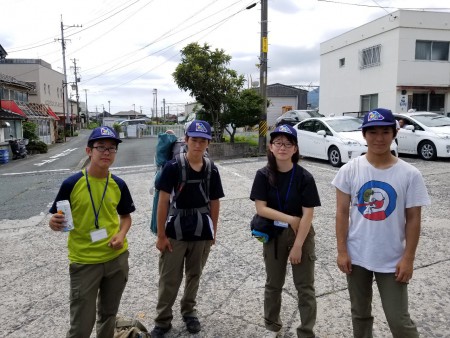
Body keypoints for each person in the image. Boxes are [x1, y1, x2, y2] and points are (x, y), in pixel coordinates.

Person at [332, 108, 431, 338]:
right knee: (360, 314)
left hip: (393, 258)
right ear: (364, 135)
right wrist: (341, 251)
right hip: (357, 256)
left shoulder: (410, 174)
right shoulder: (349, 170)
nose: (379, 138)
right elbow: (341, 212)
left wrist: (408, 258)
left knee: (399, 320)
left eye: (385, 131)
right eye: (372, 132)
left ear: (394, 133)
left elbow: (414, 218)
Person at [48, 126, 136, 338]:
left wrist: (121, 234)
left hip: (116, 258)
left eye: (111, 149)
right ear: (89, 151)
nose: (106, 153)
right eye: (101, 147)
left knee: (108, 315)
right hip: (85, 262)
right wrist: (54, 223)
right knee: (81, 323)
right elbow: (56, 219)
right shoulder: (71, 184)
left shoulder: (118, 184)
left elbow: (126, 217)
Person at [151, 120, 225, 337]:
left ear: (208, 143)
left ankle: (189, 311)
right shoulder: (172, 167)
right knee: (169, 277)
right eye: (194, 139)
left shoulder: (212, 169)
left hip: (202, 230)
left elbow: (215, 201)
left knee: (195, 274)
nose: (198, 144)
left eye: (203, 140)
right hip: (176, 230)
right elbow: (163, 201)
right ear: (186, 140)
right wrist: (161, 235)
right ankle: (163, 320)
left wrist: (214, 231)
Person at [250, 124, 321, 338]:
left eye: (288, 143)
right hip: (274, 234)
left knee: (305, 287)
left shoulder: (304, 177)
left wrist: (298, 245)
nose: (283, 147)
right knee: (273, 284)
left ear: (295, 149)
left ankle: (306, 332)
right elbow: (260, 208)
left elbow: (308, 214)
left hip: (301, 234)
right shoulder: (263, 175)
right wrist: (290, 218)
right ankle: (272, 327)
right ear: (271, 147)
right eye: (278, 143)